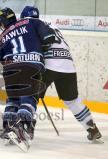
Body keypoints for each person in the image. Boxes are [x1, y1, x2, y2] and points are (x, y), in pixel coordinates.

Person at [20, 6, 102, 142]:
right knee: (72, 100)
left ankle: (26, 127)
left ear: (23, 18)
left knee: (30, 95)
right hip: (68, 66)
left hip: (49, 65)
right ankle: (92, 129)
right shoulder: (51, 24)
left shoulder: (29, 25)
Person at [0, 7, 56, 145]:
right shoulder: (31, 22)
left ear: (2, 22)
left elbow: (2, 58)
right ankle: (22, 125)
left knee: (13, 100)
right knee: (29, 98)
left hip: (10, 70)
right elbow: (49, 37)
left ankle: (8, 127)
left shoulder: (1, 37)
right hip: (31, 65)